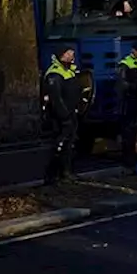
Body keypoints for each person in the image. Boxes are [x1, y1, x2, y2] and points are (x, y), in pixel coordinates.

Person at [43, 47, 82, 184]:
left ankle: (67, 172)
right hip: (60, 117)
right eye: (68, 54)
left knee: (70, 144)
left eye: (72, 53)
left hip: (71, 114)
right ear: (61, 56)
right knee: (60, 144)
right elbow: (56, 99)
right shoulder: (55, 74)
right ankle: (54, 175)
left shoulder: (69, 72)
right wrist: (65, 117)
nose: (72, 56)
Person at [115, 43, 137, 171]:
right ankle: (128, 159)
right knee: (129, 130)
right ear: (133, 51)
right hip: (129, 101)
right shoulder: (125, 64)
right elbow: (121, 84)